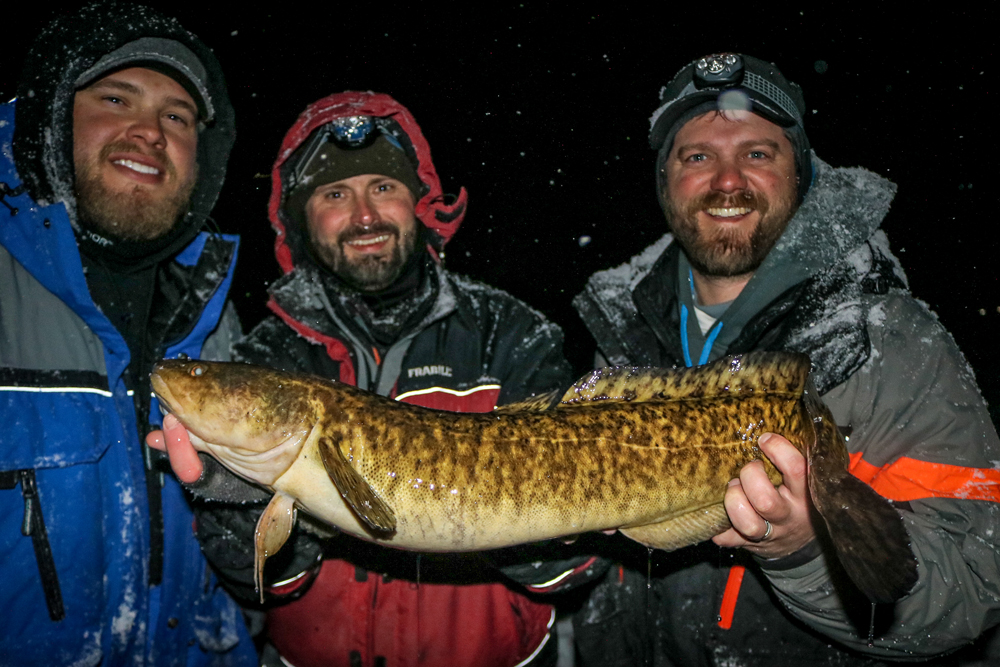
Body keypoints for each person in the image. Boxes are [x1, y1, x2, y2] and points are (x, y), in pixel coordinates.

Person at [513, 53, 1000, 665]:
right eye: (697, 156)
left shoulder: (892, 340)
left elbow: (976, 585)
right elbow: (597, 569)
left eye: (757, 153)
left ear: (803, 174)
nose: (727, 180)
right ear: (665, 181)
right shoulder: (619, 335)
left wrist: (803, 551)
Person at [151, 91, 574, 667]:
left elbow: (574, 573)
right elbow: (266, 586)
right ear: (301, 219)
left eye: (383, 187)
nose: (365, 215)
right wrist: (240, 500)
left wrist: (533, 527)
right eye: (334, 194)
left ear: (419, 203)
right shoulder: (268, 353)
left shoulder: (514, 333)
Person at [0, 2, 256, 665]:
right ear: (54, 119)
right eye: (117, 98)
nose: (149, 132)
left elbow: (256, 587)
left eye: (176, 117)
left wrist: (253, 517)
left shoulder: (218, 323)